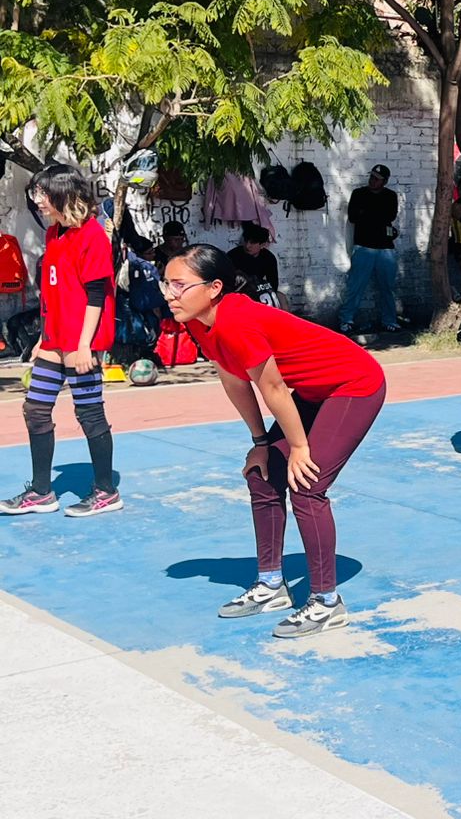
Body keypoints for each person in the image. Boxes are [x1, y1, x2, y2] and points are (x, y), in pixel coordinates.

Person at [164, 243, 386, 637]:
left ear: (214, 288)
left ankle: (327, 602)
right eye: (166, 284)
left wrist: (299, 448)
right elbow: (234, 381)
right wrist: (261, 443)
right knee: (262, 475)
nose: (169, 294)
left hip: (354, 384)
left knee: (307, 485)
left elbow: (274, 388)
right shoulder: (198, 321)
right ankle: (271, 585)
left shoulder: (236, 321)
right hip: (314, 392)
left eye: (179, 285)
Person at [1, 165, 123, 518]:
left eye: (43, 193)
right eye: (36, 193)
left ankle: (106, 491)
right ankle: (41, 492)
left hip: (80, 340)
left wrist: (85, 346)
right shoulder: (55, 233)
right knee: (35, 410)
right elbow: (55, 292)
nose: (37, 200)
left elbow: (96, 295)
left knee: (89, 413)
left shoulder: (93, 235)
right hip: (56, 339)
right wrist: (43, 337)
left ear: (62, 194)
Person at [339, 164, 400, 335]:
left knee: (387, 287)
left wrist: (366, 213)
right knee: (355, 286)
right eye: (372, 177)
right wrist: (375, 215)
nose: (372, 181)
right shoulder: (359, 193)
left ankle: (389, 320)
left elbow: (390, 215)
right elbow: (353, 216)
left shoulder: (390, 196)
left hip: (385, 248)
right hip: (363, 246)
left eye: (377, 179)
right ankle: (346, 320)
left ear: (384, 182)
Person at [228, 222, 281, 306]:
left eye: (252, 243)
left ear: (262, 245)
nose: (247, 246)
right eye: (246, 241)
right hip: (238, 293)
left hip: (259, 291)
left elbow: (273, 284)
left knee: (281, 298)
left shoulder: (269, 258)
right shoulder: (233, 256)